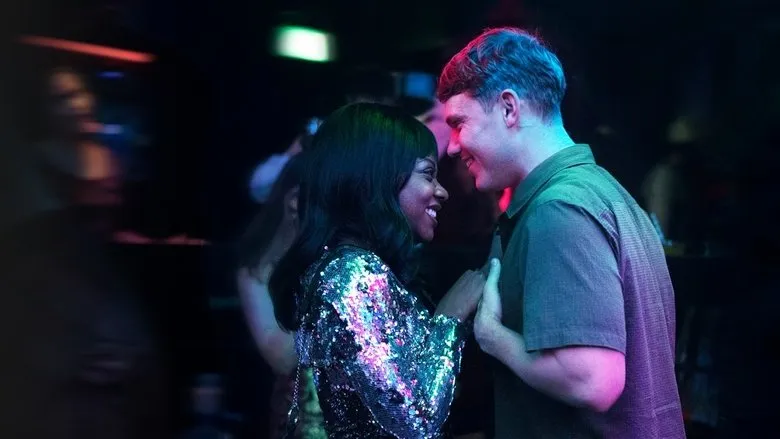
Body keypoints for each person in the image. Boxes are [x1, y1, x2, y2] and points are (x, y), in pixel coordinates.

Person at [437, 27, 685, 438]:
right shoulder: (604, 192)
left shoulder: (558, 209)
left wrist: (492, 336)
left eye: (459, 124)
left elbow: (592, 380)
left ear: (509, 109)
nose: (451, 146)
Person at [268, 102, 485, 438]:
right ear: (379, 179)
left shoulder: (352, 266)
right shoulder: (352, 275)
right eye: (428, 174)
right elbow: (416, 421)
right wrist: (450, 317)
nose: (442, 191)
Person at [236, 155, 326, 439]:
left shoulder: (345, 259)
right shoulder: (258, 271)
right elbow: (282, 358)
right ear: (295, 201)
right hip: (300, 420)